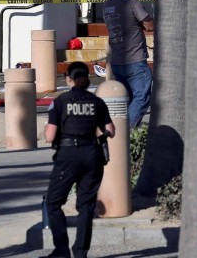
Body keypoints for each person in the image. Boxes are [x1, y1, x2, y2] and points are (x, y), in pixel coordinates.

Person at [43, 61, 115, 258]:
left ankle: (62, 250)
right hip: (92, 155)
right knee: (86, 206)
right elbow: (110, 130)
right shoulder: (97, 102)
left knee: (53, 202)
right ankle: (81, 252)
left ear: (69, 79)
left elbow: (50, 136)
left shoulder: (61, 101)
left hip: (68, 156)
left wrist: (46, 131)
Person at [103, 0, 154, 129]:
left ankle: (122, 134)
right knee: (142, 98)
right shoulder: (133, 3)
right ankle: (126, 133)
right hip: (135, 61)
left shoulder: (107, 5)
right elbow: (150, 25)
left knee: (128, 99)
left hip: (118, 62)